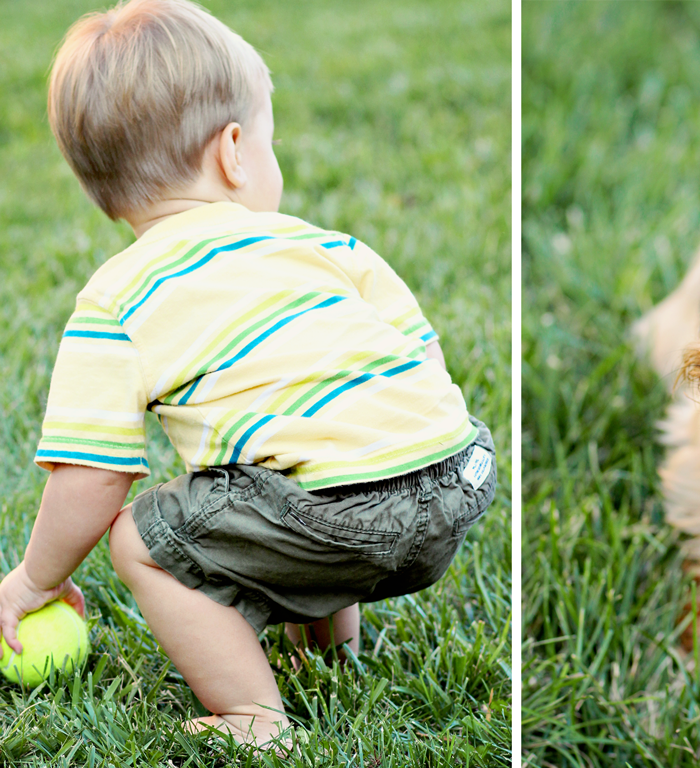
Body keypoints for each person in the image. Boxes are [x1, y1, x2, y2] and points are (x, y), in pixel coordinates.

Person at [0, 0, 496, 748]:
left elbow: (90, 477)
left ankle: (252, 718)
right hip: (460, 477)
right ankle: (330, 658)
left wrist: (34, 581)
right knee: (300, 467)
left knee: (138, 537)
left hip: (340, 520)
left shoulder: (116, 298)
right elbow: (424, 366)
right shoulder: (332, 248)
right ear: (233, 151)